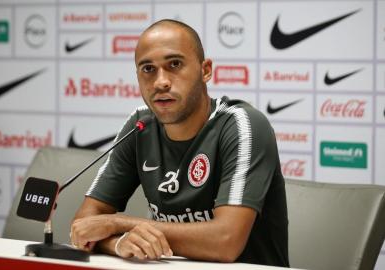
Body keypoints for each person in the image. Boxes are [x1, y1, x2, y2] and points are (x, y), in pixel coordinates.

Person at [70, 19, 289, 267]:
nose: (161, 82)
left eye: (174, 64)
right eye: (148, 69)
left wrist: (120, 224)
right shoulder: (140, 125)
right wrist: (118, 244)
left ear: (205, 70)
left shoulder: (243, 124)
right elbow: (85, 224)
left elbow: (226, 241)